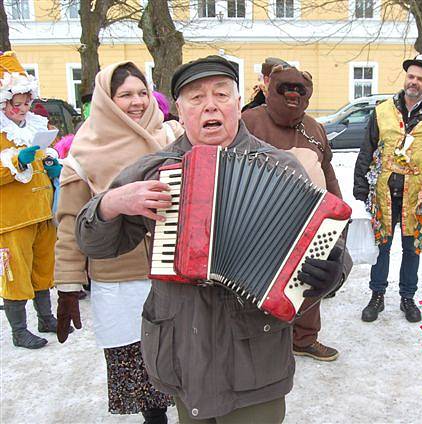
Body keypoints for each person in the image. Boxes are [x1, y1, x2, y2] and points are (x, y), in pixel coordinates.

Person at [72, 55, 344, 423]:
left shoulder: (279, 166)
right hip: (184, 349)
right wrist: (109, 204)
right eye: (196, 98)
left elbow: (329, 249)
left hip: (254, 356)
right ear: (180, 112)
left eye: (221, 94)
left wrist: (331, 273)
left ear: (238, 103)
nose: (210, 105)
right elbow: (96, 244)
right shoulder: (156, 170)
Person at [54, 62, 181, 423]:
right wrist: (67, 285)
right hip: (120, 280)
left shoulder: (172, 137)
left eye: (142, 92)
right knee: (140, 372)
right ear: (107, 101)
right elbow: (69, 224)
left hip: (175, 269)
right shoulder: (84, 153)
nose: (137, 102)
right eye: (125, 95)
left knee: (184, 360)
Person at [242, 65, 352, 362]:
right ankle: (261, 344)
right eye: (285, 88)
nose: (292, 95)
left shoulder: (314, 128)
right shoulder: (249, 121)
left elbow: (328, 171)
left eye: (299, 90)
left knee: (311, 278)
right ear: (269, 89)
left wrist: (340, 212)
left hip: (310, 220)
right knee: (262, 286)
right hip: (259, 224)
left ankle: (304, 338)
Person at [353, 54, 422, 323]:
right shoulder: (382, 110)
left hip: (418, 197)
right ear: (405, 78)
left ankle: (408, 297)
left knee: (412, 249)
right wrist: (361, 185)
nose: (414, 82)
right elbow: (368, 148)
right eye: (411, 76)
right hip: (383, 193)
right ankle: (377, 296)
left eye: (421, 79)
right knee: (381, 247)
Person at [0, 51, 62, 349]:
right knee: (15, 274)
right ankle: (19, 330)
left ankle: (45, 316)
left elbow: (39, 159)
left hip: (41, 212)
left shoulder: (34, 126)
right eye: (17, 104)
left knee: (42, 268)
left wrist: (49, 166)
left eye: (27, 103)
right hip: (11, 219)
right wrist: (17, 163)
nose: (23, 109)